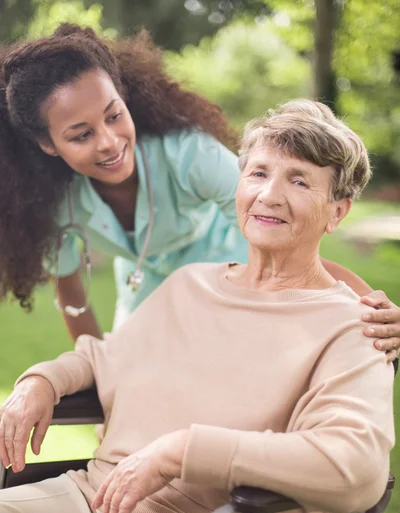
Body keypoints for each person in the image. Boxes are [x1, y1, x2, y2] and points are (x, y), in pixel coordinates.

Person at [0, 100, 394, 513]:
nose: (269, 195)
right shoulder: (189, 286)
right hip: (93, 494)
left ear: (337, 211)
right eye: (258, 173)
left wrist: (184, 450)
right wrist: (42, 381)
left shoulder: (354, 328)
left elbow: (354, 465)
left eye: (299, 181)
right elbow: (101, 358)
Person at [1, 24, 400, 358]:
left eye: (113, 115)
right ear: (48, 144)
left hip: (236, 260)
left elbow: (292, 253)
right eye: (82, 134)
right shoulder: (50, 203)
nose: (108, 141)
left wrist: (371, 304)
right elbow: (73, 298)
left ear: (124, 99)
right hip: (146, 287)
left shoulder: (189, 155)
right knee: (127, 386)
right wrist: (94, 373)